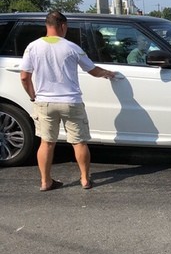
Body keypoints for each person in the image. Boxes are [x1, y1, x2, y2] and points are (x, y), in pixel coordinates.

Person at [20, 11, 116, 191]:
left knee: (47, 142)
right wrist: (108, 74)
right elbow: (93, 70)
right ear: (63, 26)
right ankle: (85, 179)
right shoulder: (72, 47)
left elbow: (25, 77)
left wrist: (33, 96)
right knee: (79, 142)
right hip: (71, 102)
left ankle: (45, 181)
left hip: (45, 103)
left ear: (47, 25)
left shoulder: (32, 47)